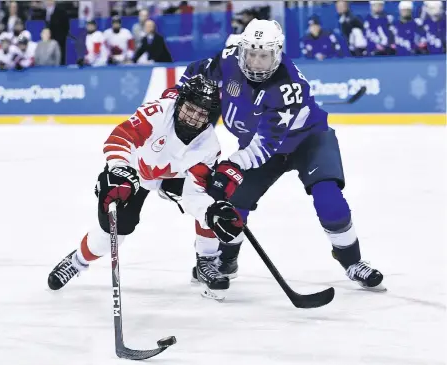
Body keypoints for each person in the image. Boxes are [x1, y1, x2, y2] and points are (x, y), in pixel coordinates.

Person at [174, 19, 385, 298]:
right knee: (233, 205)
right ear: (241, 50)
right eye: (252, 54)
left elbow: (265, 146)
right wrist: (172, 107)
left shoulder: (287, 85)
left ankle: (353, 262)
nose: (257, 62)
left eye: (265, 55)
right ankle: (225, 259)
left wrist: (232, 164)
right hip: (259, 146)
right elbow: (193, 77)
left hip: (309, 141)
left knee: (329, 199)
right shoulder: (226, 60)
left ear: (278, 53)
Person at [47, 75, 244, 300]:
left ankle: (206, 261)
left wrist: (211, 213)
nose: (193, 118)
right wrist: (119, 169)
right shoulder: (158, 113)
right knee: (113, 231)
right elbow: (120, 138)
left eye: (202, 114)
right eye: (190, 108)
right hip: (134, 172)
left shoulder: (208, 145)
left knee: (212, 196)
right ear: (180, 102)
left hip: (172, 176)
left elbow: (194, 195)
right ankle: (76, 261)